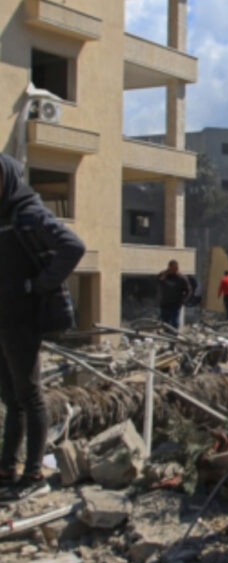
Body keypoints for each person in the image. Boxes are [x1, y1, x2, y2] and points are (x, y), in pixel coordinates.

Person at [0, 153, 85, 501]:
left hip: (22, 319)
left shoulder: (27, 212)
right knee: (10, 398)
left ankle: (34, 471)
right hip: (2, 317)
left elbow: (72, 246)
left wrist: (39, 284)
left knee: (29, 394)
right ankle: (7, 466)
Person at [157, 260, 190, 329]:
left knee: (174, 321)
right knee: (165, 321)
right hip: (165, 303)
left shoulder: (181, 278)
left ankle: (174, 335)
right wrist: (164, 276)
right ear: (169, 268)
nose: (174, 270)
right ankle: (166, 334)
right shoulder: (164, 275)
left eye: (176, 268)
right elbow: (158, 281)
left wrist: (183, 300)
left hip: (176, 303)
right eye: (172, 268)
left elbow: (188, 291)